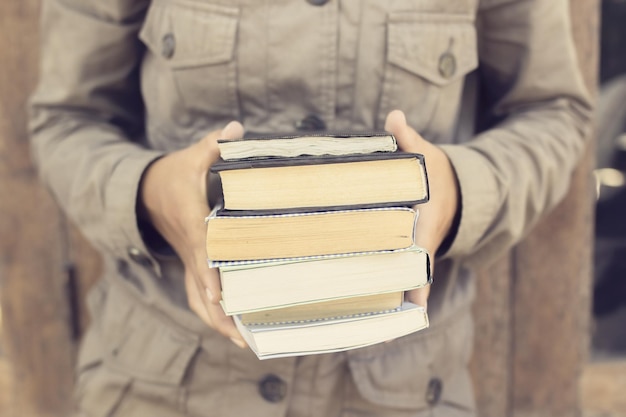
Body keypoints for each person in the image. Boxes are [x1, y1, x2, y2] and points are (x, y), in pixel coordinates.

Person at [28, 1, 592, 416]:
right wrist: (150, 193)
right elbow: (68, 120)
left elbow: (550, 111)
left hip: (404, 388)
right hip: (162, 384)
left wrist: (458, 192)